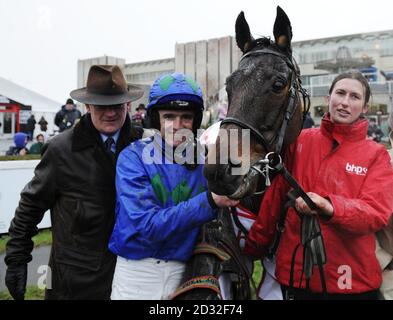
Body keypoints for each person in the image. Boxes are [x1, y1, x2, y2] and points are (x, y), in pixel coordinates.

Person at [244, 70, 393, 300]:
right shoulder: (301, 140)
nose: (345, 102)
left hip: (353, 284)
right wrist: (252, 247)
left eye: (354, 97)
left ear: (365, 107)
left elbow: (376, 213)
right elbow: (274, 200)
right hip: (296, 278)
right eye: (340, 93)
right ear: (327, 99)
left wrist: (330, 206)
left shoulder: (376, 155)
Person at [4, 65, 144, 300]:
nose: (110, 113)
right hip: (74, 282)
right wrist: (16, 259)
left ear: (127, 105)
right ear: (87, 106)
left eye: (116, 105)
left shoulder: (144, 145)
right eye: (102, 105)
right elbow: (30, 207)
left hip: (131, 276)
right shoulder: (61, 150)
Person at [108, 72, 238, 300]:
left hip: (186, 270)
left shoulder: (205, 159)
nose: (178, 126)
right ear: (155, 119)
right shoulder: (132, 158)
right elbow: (147, 226)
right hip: (138, 273)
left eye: (186, 117)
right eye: (169, 116)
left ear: (195, 121)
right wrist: (209, 201)